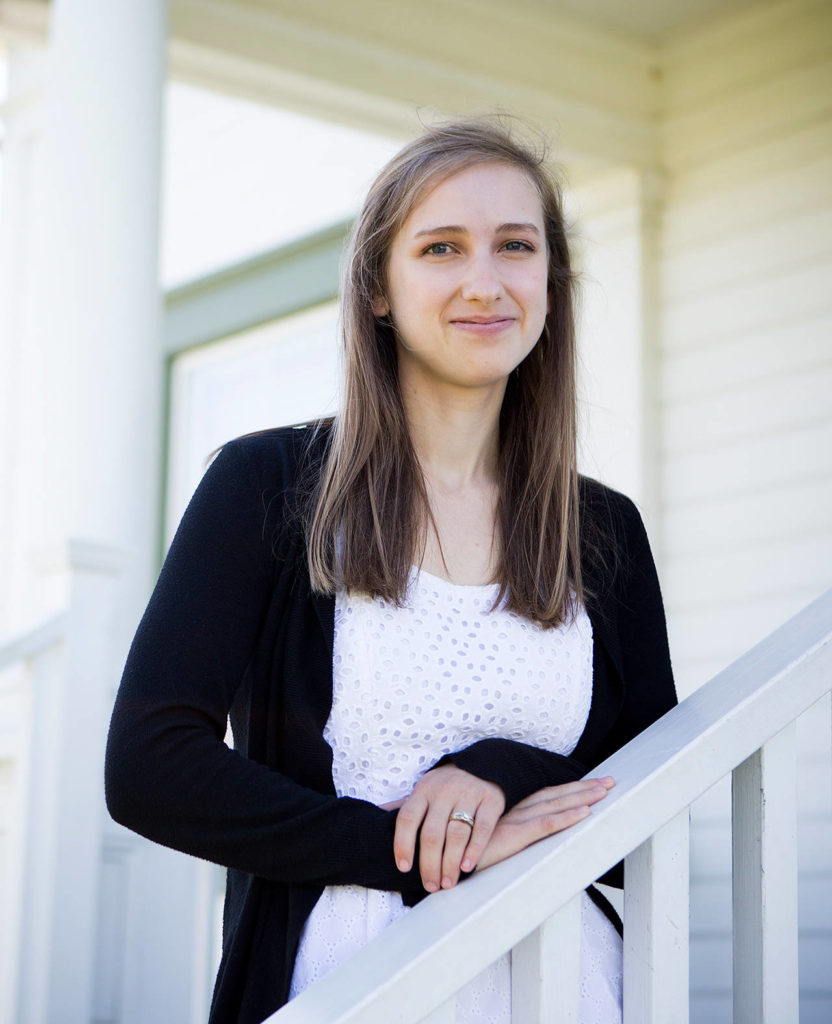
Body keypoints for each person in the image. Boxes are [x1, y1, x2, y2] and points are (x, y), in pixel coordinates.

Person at [105, 116, 676, 1024]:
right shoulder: (268, 485)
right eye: (442, 247)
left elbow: (649, 804)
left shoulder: (602, 528)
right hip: (346, 987)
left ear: (550, 284)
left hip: (570, 989)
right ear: (378, 286)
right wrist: (401, 848)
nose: (484, 282)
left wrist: (497, 771)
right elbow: (148, 766)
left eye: (515, 247)